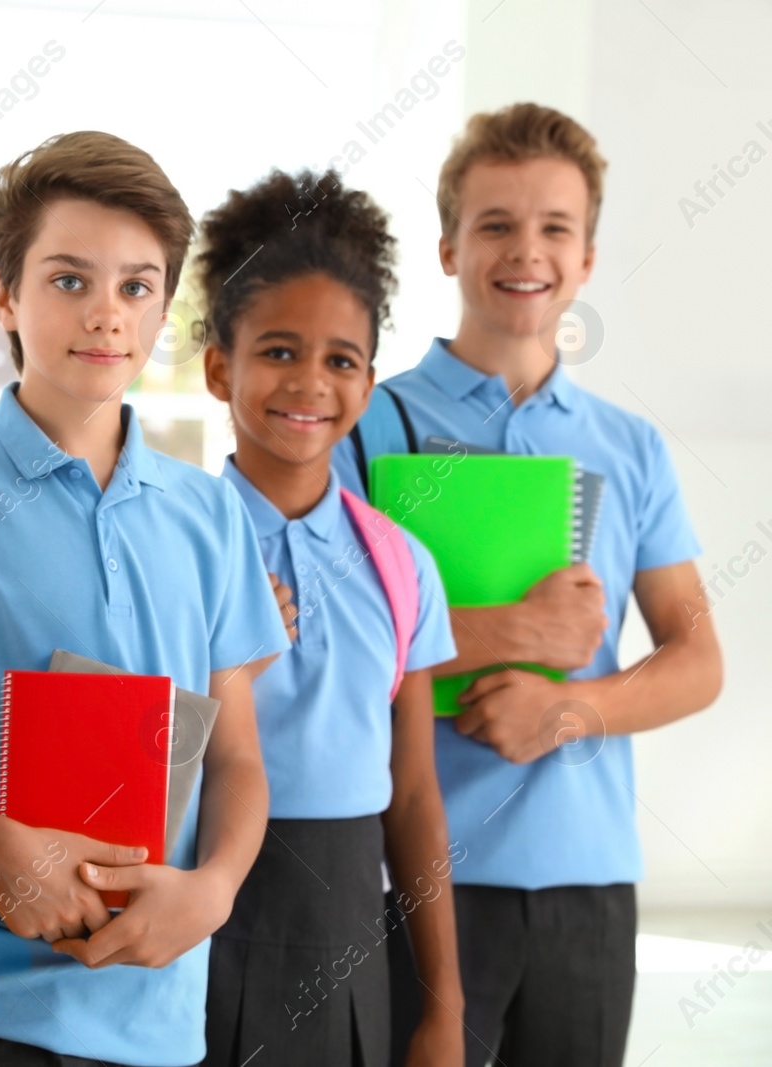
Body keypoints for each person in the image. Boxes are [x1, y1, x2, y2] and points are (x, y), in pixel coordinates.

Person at [0, 131, 289, 1067]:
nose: (106, 314)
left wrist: (213, 889)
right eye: (68, 280)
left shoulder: (211, 515)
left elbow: (240, 758)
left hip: (156, 1019)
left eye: (137, 287)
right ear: (5, 292)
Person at [339, 103, 724, 1067]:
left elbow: (698, 659)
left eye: (556, 227)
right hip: (409, 875)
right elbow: (333, 649)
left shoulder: (628, 448)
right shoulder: (363, 423)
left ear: (587, 258)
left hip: (588, 884)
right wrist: (513, 629)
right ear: (447, 247)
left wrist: (571, 712)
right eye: (496, 224)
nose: (528, 250)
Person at [196, 168, 464, 1067]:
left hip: (351, 923)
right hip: (200, 915)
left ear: (368, 380)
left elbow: (418, 796)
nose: (309, 382)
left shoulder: (401, 564)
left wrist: (445, 1006)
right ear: (217, 366)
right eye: (277, 351)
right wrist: (221, 664)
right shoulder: (175, 541)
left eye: (340, 359)